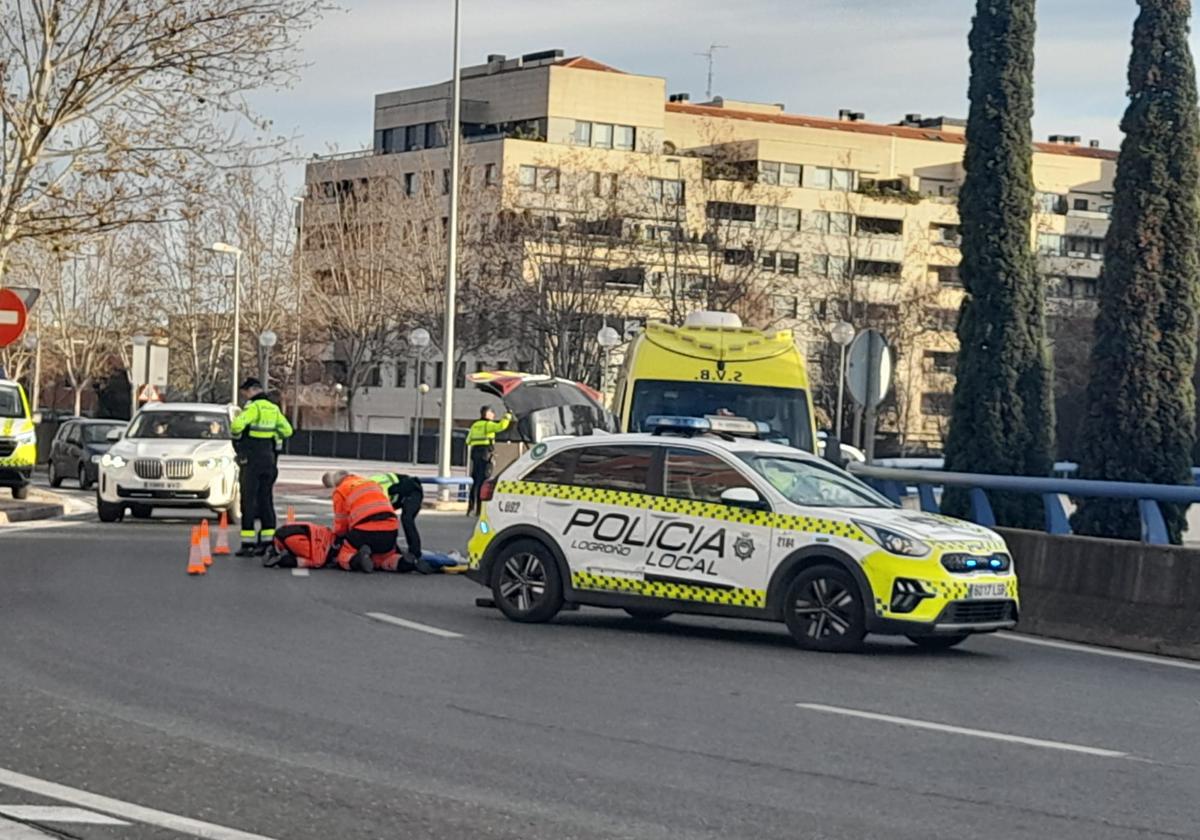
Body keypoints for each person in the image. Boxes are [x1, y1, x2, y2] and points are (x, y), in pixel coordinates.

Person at [231, 377, 294, 556]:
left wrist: (237, 437)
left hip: (252, 460)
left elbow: (237, 425)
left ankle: (248, 544)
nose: (245, 396)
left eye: (245, 393)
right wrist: (272, 434)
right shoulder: (274, 409)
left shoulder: (253, 407)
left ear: (252, 390)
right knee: (266, 500)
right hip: (269, 460)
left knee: (248, 501)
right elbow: (288, 430)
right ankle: (267, 541)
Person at [324, 470, 400, 572]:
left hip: (365, 530)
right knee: (385, 557)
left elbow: (341, 525)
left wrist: (338, 538)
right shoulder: (372, 484)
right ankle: (402, 562)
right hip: (391, 529)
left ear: (337, 484)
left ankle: (358, 560)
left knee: (345, 554)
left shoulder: (341, 490)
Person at [369, 471, 426, 572]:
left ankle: (415, 553)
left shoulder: (378, 490)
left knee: (407, 519)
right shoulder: (369, 487)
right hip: (399, 494)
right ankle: (393, 550)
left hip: (413, 490)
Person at [465, 405, 513, 517]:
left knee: (475, 482)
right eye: (492, 413)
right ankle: (481, 510)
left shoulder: (475, 425)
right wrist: (508, 415)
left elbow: (468, 441)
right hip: (485, 455)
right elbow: (501, 426)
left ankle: (470, 508)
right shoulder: (488, 425)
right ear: (487, 414)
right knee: (484, 482)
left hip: (475, 454)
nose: (494, 415)